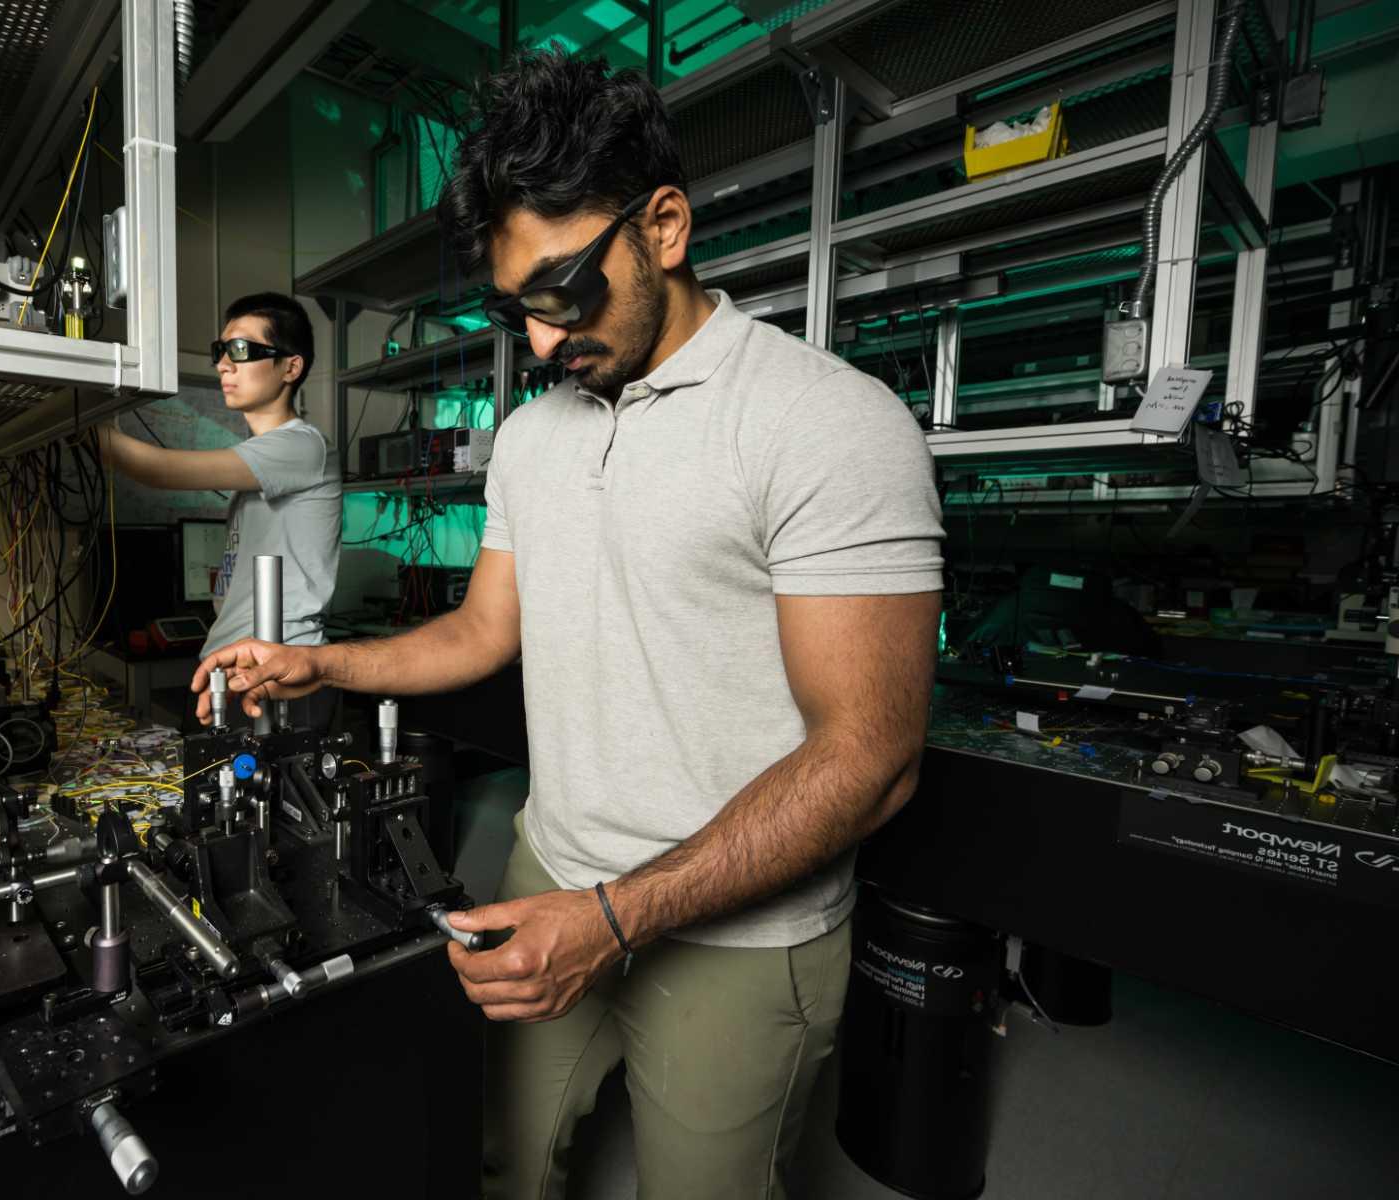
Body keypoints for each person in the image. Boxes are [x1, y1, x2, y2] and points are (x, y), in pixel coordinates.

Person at [191, 52, 945, 1200]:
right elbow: (482, 632)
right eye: (515, 309)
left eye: (564, 291)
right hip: (550, 872)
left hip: (737, 934)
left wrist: (614, 919)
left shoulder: (826, 425)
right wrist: (320, 662)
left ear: (666, 226)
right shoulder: (535, 436)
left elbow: (870, 758)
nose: (540, 341)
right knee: (493, 1159)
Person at [100, 292, 341, 726]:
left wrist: (78, 418)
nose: (224, 365)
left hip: (277, 672)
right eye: (220, 351)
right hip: (236, 668)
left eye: (242, 350)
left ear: (291, 366)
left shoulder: (302, 446)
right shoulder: (265, 457)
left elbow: (158, 470)